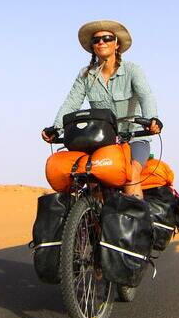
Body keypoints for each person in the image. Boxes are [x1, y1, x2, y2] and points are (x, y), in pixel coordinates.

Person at [42, 19, 162, 197]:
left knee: (130, 174)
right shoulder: (85, 75)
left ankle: (135, 215)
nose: (101, 42)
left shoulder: (132, 70)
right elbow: (71, 103)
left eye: (107, 38)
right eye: (96, 40)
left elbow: (146, 96)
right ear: (92, 47)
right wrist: (56, 128)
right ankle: (91, 213)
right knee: (92, 176)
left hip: (133, 137)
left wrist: (152, 120)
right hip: (102, 140)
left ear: (116, 44)